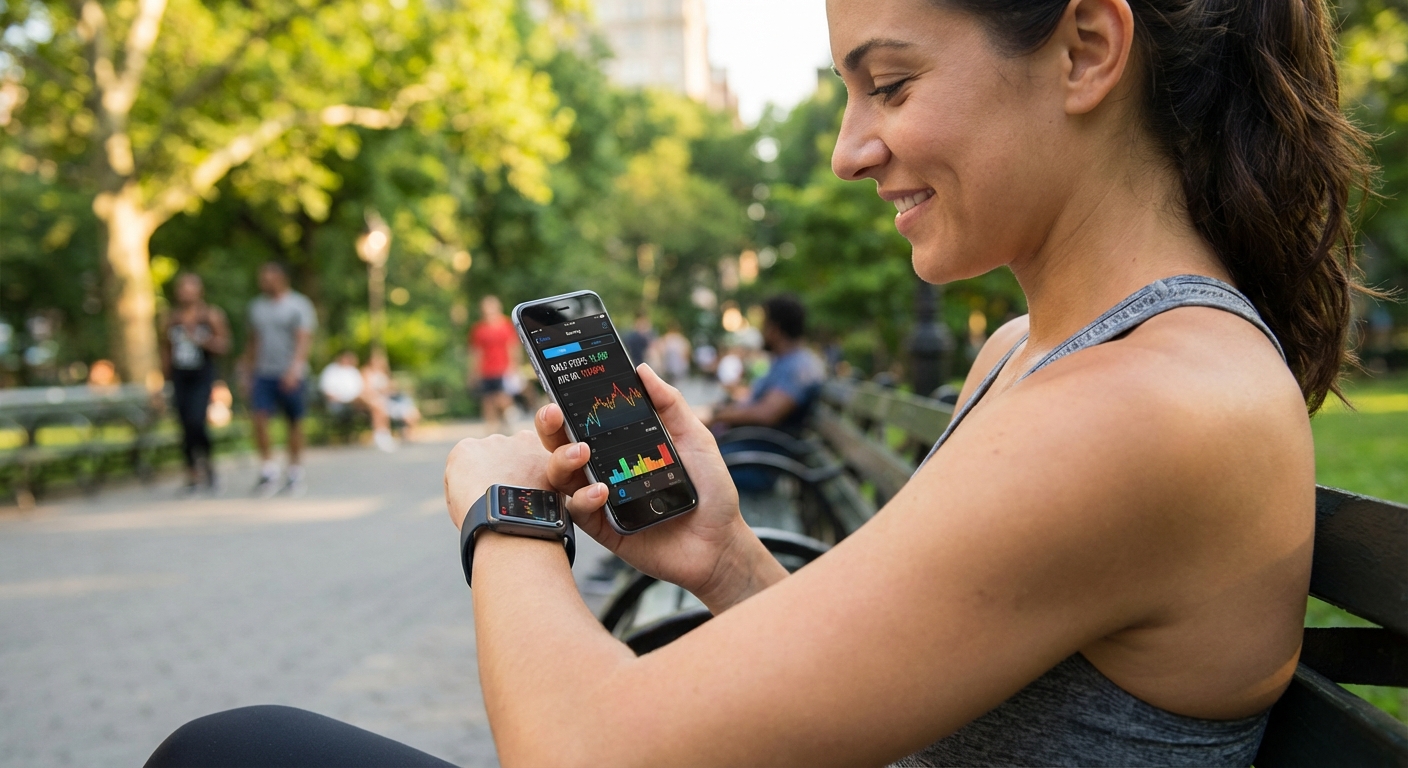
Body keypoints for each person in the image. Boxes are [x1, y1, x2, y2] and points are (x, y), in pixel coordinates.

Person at [149, 0, 1369, 764]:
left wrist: (502, 514)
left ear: (1087, 47)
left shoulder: (1147, 406)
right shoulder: (1033, 357)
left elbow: (585, 751)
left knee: (232, 750)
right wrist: (730, 561)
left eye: (888, 83)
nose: (848, 149)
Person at [240, 262, 316, 497]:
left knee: (294, 422)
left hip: (291, 373)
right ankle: (268, 470)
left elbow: (303, 340)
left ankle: (294, 472)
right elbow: (253, 341)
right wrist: (246, 370)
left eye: (268, 277)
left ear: (281, 278)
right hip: (264, 373)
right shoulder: (256, 307)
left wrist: (294, 370)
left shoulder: (298, 305)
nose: (263, 282)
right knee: (259, 418)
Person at [708, 294, 825, 436]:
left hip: (764, 447)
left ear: (774, 329)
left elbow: (766, 414)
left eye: (764, 324)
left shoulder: (799, 367)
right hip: (753, 440)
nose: (761, 331)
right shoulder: (785, 361)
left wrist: (716, 416)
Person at [160, 273, 230, 494]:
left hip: (202, 374)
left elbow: (224, 345)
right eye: (182, 288)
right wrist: (164, 378)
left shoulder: (210, 315)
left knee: (197, 421)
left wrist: (203, 340)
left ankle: (207, 465)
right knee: (184, 425)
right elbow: (166, 349)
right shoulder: (172, 318)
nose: (185, 293)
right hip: (181, 376)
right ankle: (192, 474)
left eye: (189, 288)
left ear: (199, 291)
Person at [468, 295, 519, 434]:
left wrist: (514, 367)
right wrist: (473, 373)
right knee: (488, 402)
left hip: (503, 369)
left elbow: (513, 347)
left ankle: (508, 420)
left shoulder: (506, 325)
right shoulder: (478, 329)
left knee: (503, 399)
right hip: (486, 370)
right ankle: (491, 431)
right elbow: (476, 353)